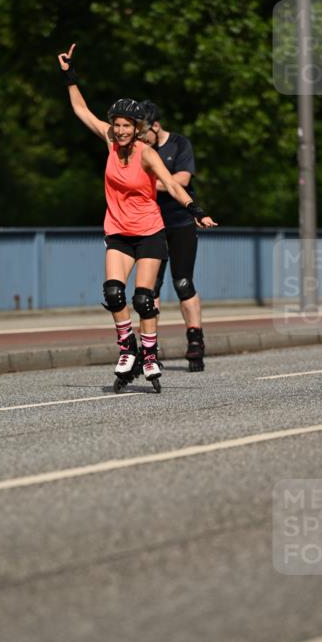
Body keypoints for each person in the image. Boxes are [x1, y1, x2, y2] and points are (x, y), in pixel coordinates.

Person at [56, 43, 218, 390]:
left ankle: (148, 355)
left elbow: (173, 186)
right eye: (117, 125)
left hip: (149, 232)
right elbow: (81, 110)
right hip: (118, 230)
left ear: (137, 127)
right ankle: (127, 348)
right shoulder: (109, 141)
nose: (121, 130)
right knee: (114, 292)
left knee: (144, 298)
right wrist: (70, 75)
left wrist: (195, 210)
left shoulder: (146, 154)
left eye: (127, 126)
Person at [139, 100, 207, 371]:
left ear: (156, 126)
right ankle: (150, 346)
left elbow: (182, 180)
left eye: (144, 133)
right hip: (151, 224)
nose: (141, 139)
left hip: (180, 223)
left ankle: (195, 340)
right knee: (150, 288)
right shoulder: (140, 150)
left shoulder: (179, 144)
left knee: (182, 282)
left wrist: (149, 182)